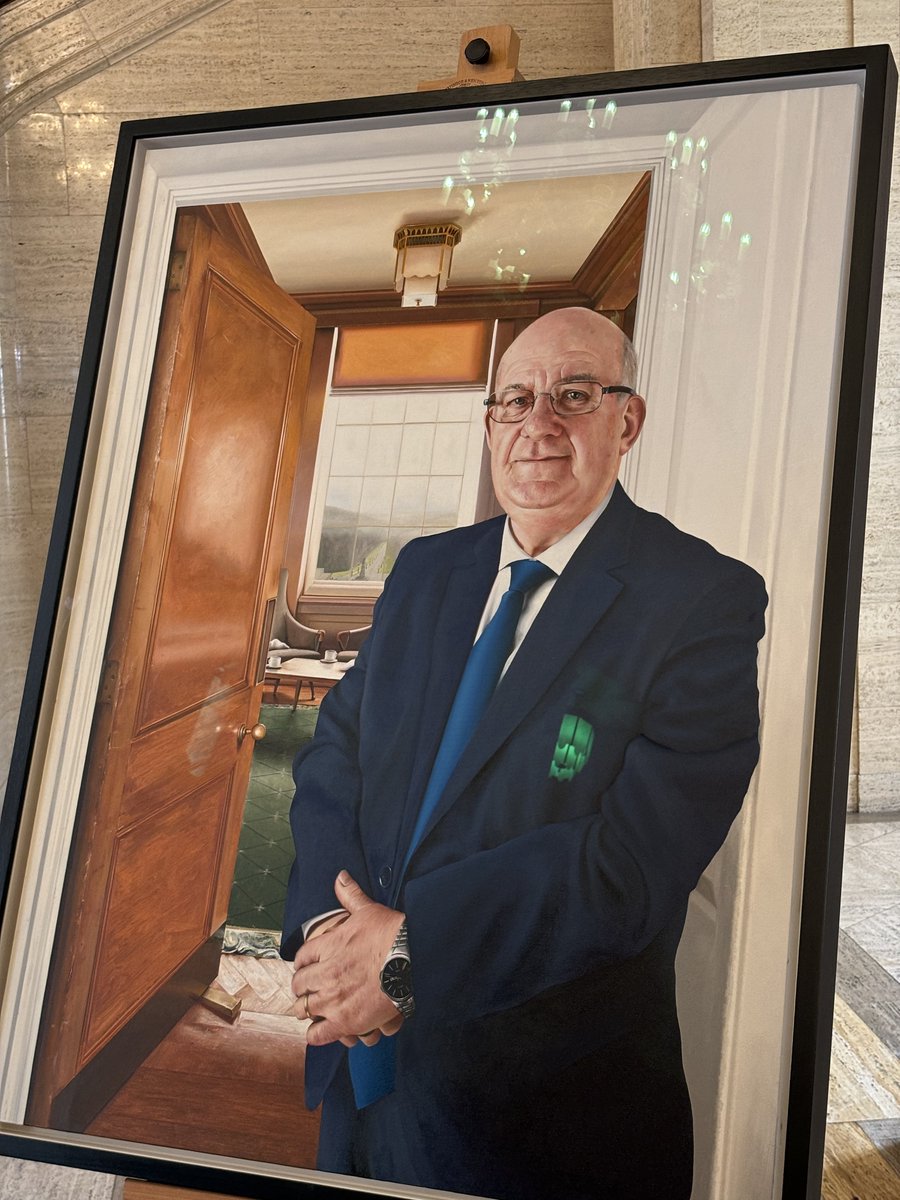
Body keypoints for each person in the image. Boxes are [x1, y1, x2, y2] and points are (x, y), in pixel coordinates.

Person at [282, 306, 767, 1200]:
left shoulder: (702, 600)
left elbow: (630, 866)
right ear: (491, 423)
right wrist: (326, 931)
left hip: (538, 1117)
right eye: (515, 399)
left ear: (627, 422)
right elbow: (336, 754)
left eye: (574, 395)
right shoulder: (426, 570)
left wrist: (409, 954)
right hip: (360, 1071)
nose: (539, 423)